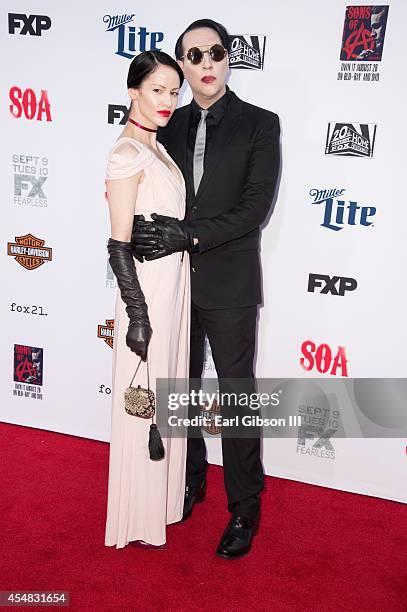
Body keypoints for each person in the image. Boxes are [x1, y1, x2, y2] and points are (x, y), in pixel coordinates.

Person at [132, 19, 281, 559]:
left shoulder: (260, 124)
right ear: (183, 66)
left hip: (230, 282)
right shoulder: (164, 123)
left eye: (215, 52)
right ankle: (189, 481)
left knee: (237, 398)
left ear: (229, 57)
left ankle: (245, 507)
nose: (206, 63)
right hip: (173, 282)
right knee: (183, 391)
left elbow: (254, 210)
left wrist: (189, 234)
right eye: (194, 56)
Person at [104, 51, 190, 549]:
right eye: (157, 89)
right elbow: (118, 245)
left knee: (164, 395)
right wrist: (138, 316)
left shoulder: (157, 148)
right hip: (148, 297)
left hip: (172, 288)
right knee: (144, 404)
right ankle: (136, 517)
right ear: (134, 90)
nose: (167, 101)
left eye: (174, 92)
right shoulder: (126, 153)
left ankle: (160, 504)